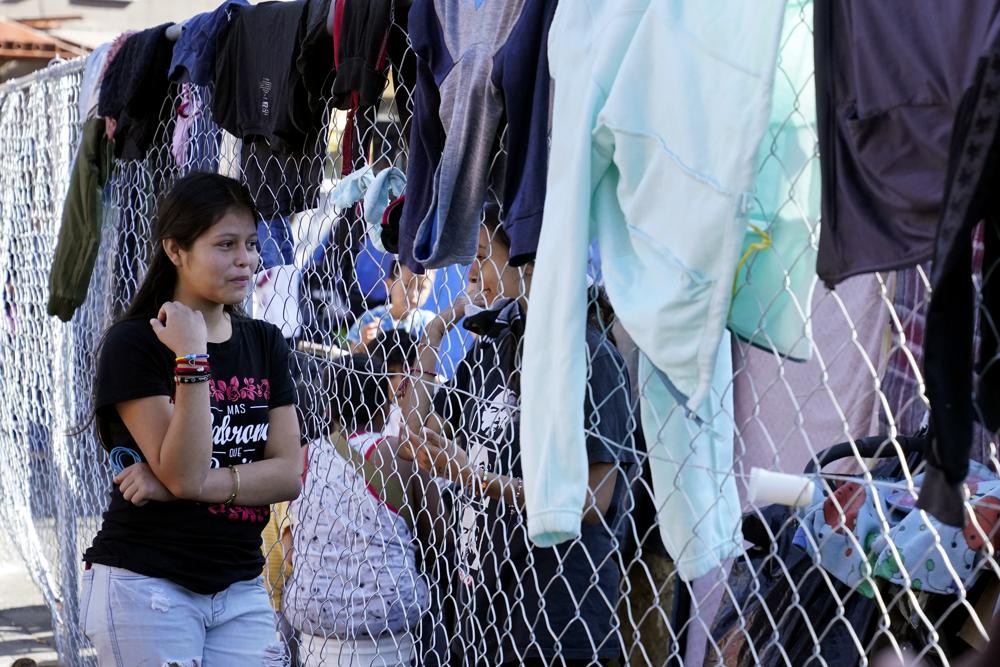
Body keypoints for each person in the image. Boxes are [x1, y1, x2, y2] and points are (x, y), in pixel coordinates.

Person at [79, 172, 303, 666]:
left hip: (240, 587)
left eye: (250, 242)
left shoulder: (265, 342)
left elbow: (289, 473)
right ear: (176, 250)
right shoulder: (136, 343)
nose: (245, 259)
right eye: (225, 245)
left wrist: (182, 487)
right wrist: (193, 358)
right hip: (148, 584)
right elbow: (183, 469)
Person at [399, 207, 635, 666]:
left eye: (483, 255)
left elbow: (594, 501)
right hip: (483, 617)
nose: (470, 271)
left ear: (528, 260)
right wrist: (433, 333)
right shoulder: (494, 345)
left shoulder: (589, 357)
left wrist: (478, 480)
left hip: (551, 624)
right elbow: (414, 431)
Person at [284, 342, 430, 667]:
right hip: (390, 624)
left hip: (317, 627)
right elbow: (436, 532)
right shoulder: (399, 456)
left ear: (328, 408)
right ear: (385, 404)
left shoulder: (303, 458)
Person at [347, 260, 437, 353]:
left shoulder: (428, 322)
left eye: (421, 287)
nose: (413, 294)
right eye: (406, 285)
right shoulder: (370, 318)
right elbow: (350, 353)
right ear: (389, 285)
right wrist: (362, 345)